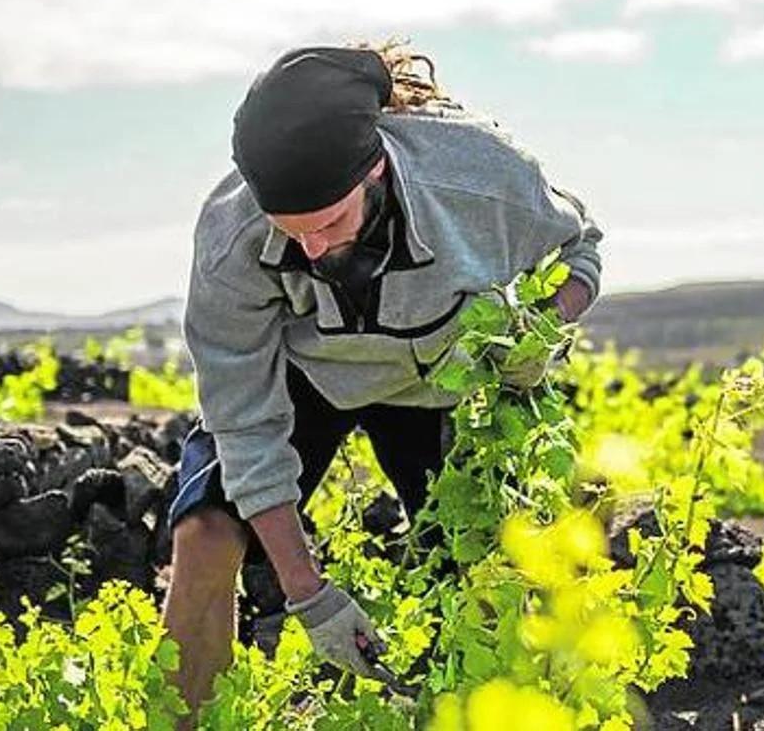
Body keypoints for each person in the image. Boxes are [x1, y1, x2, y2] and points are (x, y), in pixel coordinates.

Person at [160, 43, 603, 726]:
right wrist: (308, 596)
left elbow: (580, 250)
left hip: (439, 381)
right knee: (208, 536)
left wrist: (541, 329)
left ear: (376, 172)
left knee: (484, 573)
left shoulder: (479, 177)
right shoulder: (232, 238)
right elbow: (243, 424)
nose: (310, 250)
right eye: (291, 232)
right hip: (309, 376)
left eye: (329, 223)